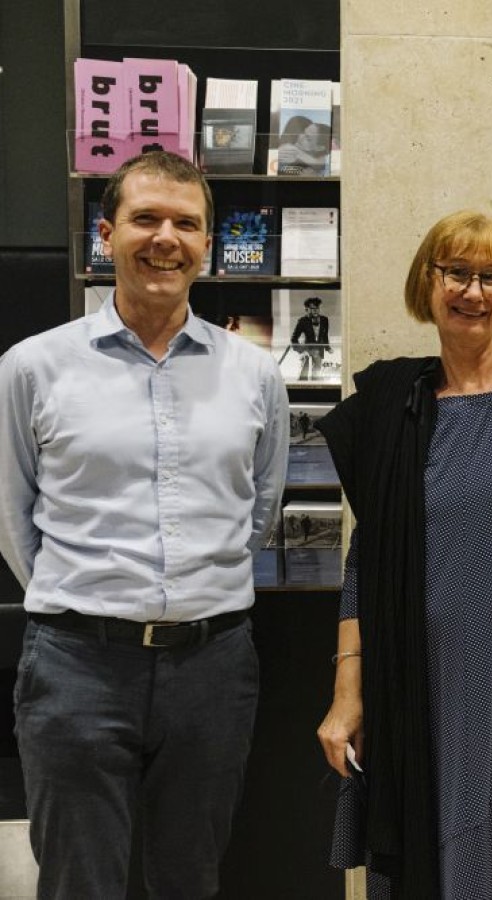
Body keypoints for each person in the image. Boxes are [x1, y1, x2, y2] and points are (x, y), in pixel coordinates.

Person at [0, 150, 289, 898]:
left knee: (190, 878)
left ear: (208, 243)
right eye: (146, 219)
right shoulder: (33, 367)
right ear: (106, 234)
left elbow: (258, 507)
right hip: (76, 667)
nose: (167, 237)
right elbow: (12, 512)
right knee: (79, 880)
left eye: (186, 223)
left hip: (212, 667)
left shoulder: (254, 374)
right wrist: (87, 601)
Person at [315, 210, 492, 899]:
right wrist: (346, 695)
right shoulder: (396, 407)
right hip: (421, 685)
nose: (472, 291)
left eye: (490, 276)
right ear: (428, 281)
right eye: (456, 273)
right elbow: (367, 560)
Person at [290, 295, 330, 380]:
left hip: (319, 351)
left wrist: (327, 347)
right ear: (306, 309)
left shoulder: (324, 320)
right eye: (312, 308)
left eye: (317, 308)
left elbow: (325, 335)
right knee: (303, 375)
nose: (316, 310)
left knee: (317, 377)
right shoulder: (302, 321)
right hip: (306, 350)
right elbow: (294, 338)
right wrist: (301, 351)